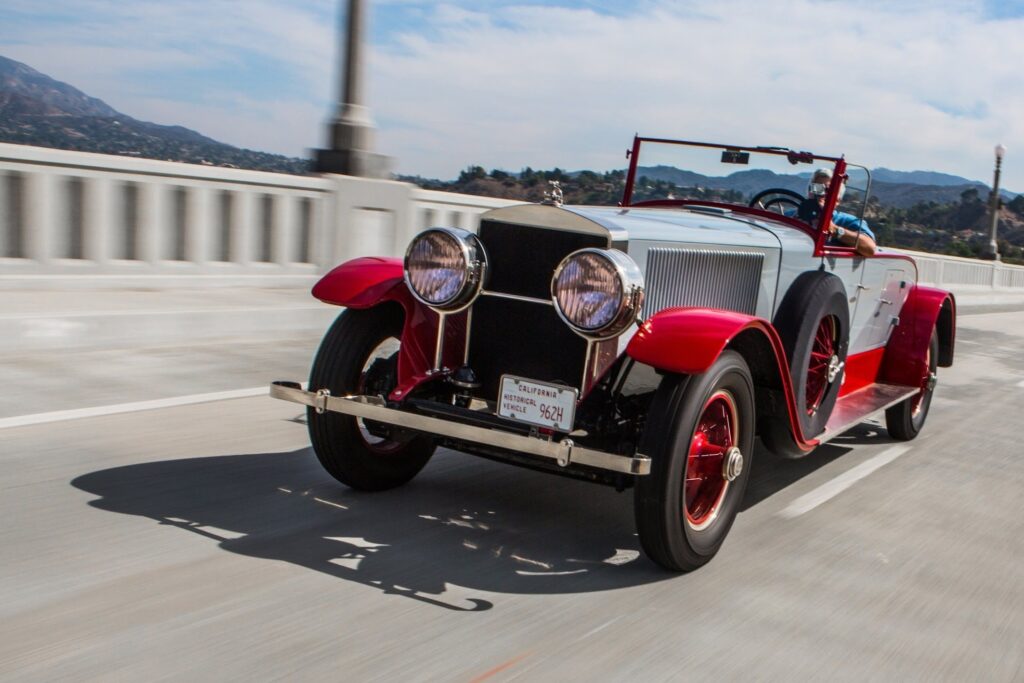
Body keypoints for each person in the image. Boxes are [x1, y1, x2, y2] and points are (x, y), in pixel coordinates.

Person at [802, 168, 877, 256]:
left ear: (838, 200)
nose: (820, 194)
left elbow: (870, 248)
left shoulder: (847, 221)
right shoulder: (792, 215)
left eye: (828, 191)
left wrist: (835, 230)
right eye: (817, 188)